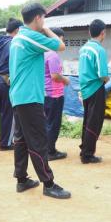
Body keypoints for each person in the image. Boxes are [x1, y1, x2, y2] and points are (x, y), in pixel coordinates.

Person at [9, 3, 71, 199]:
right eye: (43, 18)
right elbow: (60, 46)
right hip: (30, 97)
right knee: (38, 139)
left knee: (21, 139)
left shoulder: (17, 38)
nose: (44, 22)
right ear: (38, 18)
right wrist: (45, 29)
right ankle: (48, 183)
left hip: (18, 95)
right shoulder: (30, 36)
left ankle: (21, 179)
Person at [78, 19, 109, 164]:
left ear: (90, 32)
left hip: (85, 89)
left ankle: (84, 148)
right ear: (103, 33)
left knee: (87, 120)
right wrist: (108, 79)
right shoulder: (99, 50)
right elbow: (102, 75)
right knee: (94, 122)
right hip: (96, 88)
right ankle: (87, 154)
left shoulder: (83, 48)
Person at [0, 18, 23, 151]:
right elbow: (15, 64)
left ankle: (4, 141)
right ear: (17, 30)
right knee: (9, 113)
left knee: (3, 113)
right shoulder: (13, 43)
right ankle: (7, 143)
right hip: (6, 80)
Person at [44, 27, 69, 161]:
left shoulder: (43, 53)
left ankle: (48, 149)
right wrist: (66, 80)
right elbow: (55, 76)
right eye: (61, 39)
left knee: (48, 122)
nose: (62, 43)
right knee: (53, 123)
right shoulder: (53, 55)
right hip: (54, 94)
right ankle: (50, 151)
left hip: (46, 93)